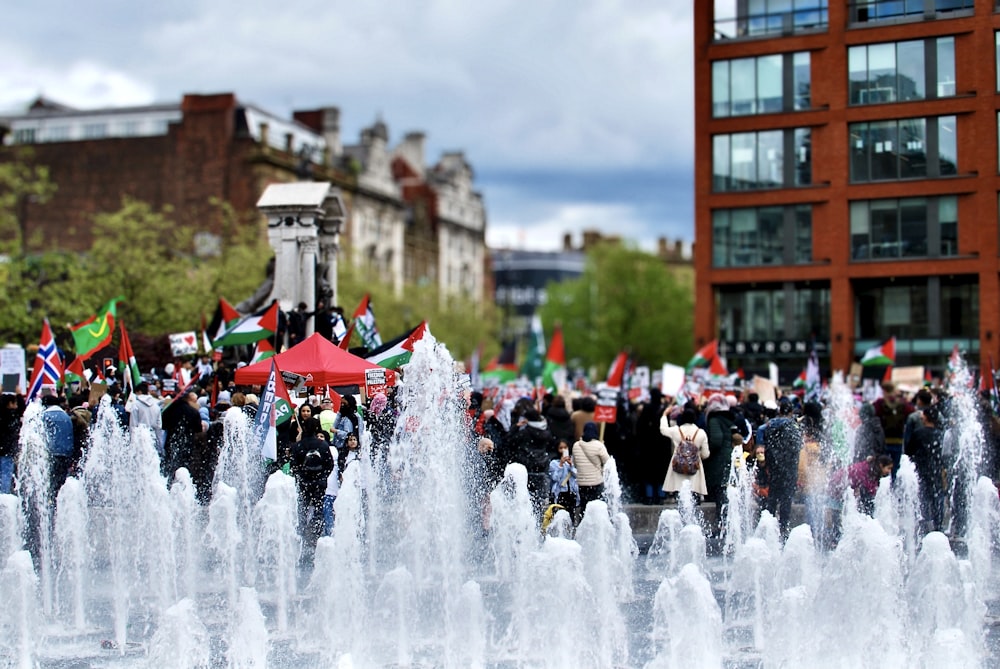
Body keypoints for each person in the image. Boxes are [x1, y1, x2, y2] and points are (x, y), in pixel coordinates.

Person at [290, 418, 336, 554]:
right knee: (318, 509)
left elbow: (293, 466)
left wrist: (302, 477)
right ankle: (316, 537)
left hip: (304, 483)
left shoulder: (298, 446)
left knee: (302, 509)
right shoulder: (322, 445)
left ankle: (302, 537)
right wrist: (322, 477)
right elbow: (329, 464)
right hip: (319, 483)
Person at [759, 400, 803, 537]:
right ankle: (783, 527)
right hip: (789, 467)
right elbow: (797, 446)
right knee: (786, 497)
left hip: (774, 465)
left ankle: (769, 523)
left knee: (772, 495)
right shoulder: (792, 426)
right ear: (790, 412)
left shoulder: (770, 424)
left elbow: (760, 430)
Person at [906, 405, 947, 532]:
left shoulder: (918, 433)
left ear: (927, 417)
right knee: (936, 498)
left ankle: (923, 526)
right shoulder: (940, 435)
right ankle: (938, 526)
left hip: (921, 470)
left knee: (923, 497)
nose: (921, 416)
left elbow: (909, 451)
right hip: (935, 470)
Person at [659, 409, 710, 499]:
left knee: (680, 497)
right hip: (694, 471)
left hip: (677, 468)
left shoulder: (676, 430)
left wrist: (664, 415)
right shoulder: (701, 433)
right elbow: (706, 454)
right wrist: (695, 456)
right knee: (693, 500)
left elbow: (663, 430)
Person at [634, 388, 672, 504]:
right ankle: (660, 496)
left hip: (648, 447)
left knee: (648, 472)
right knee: (660, 473)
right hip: (661, 448)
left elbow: (640, 428)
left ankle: (649, 496)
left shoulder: (646, 408)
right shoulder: (664, 410)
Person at [703, 393, 735, 521]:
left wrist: (707, 450)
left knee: (720, 493)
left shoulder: (714, 420)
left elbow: (716, 440)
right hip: (728, 457)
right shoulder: (728, 418)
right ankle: (726, 522)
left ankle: (722, 523)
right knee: (725, 492)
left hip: (719, 461)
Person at [828, 454, 894, 516]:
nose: (889, 471)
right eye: (888, 468)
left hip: (838, 483)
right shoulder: (868, 471)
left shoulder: (870, 468)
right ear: (881, 465)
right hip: (837, 485)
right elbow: (869, 494)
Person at [573, 421, 610, 515]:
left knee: (584, 506)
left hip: (581, 482)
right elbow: (607, 462)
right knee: (598, 507)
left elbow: (575, 464)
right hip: (596, 481)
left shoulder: (576, 445)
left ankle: (583, 525)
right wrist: (602, 445)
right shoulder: (599, 445)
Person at [0, 392, 25, 494]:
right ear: (10, 404)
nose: (16, 406)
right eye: (15, 403)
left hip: (3, 449)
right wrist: (19, 394)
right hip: (7, 450)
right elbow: (22, 409)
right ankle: (3, 498)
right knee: (6, 475)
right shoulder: (12, 415)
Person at [548, 439, 579, 512]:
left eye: (565, 448)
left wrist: (571, 465)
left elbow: (578, 476)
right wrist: (561, 465)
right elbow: (554, 478)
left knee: (571, 515)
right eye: (560, 448)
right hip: (560, 492)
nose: (563, 450)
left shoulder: (573, 461)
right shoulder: (554, 463)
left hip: (572, 491)